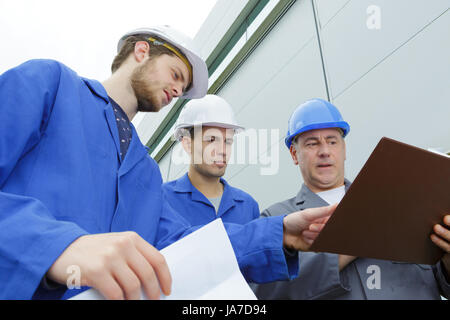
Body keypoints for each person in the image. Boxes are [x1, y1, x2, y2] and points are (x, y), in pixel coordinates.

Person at [0, 27, 334, 300]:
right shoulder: (50, 85)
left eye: (184, 87)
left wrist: (277, 234)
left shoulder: (145, 170)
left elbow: (188, 245)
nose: (177, 89)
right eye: (176, 74)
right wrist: (57, 247)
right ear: (142, 52)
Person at [253, 98, 450, 299]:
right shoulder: (276, 220)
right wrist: (351, 242)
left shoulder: (399, 200)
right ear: (295, 154)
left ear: (344, 149)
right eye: (312, 144)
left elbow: (442, 282)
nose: (325, 151)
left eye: (332, 141)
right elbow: (265, 293)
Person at [162, 94, 260, 226]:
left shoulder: (248, 206)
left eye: (228, 141)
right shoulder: (162, 199)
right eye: (211, 140)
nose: (222, 150)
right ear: (187, 144)